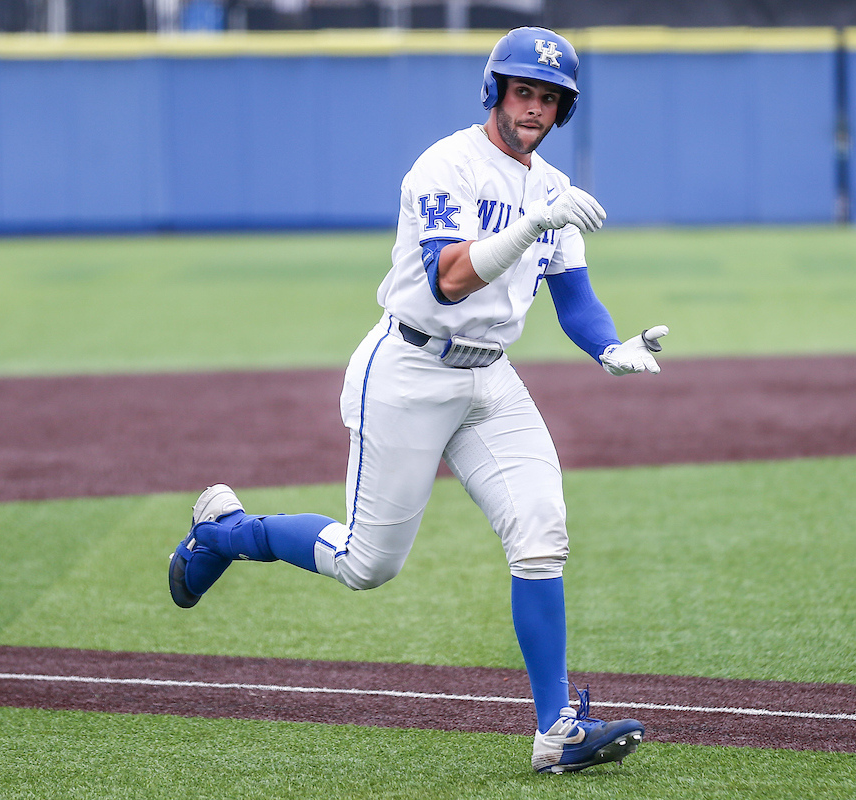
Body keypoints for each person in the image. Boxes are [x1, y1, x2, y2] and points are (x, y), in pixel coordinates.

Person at [168, 26, 668, 774]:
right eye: (523, 90)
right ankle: (227, 531)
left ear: (563, 110)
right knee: (368, 564)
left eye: (549, 98)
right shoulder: (448, 164)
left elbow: (574, 298)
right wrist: (532, 223)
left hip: (490, 377)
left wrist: (608, 347)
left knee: (541, 534)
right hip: (408, 368)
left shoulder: (551, 188)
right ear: (496, 91)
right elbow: (449, 279)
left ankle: (554, 729)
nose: (533, 107)